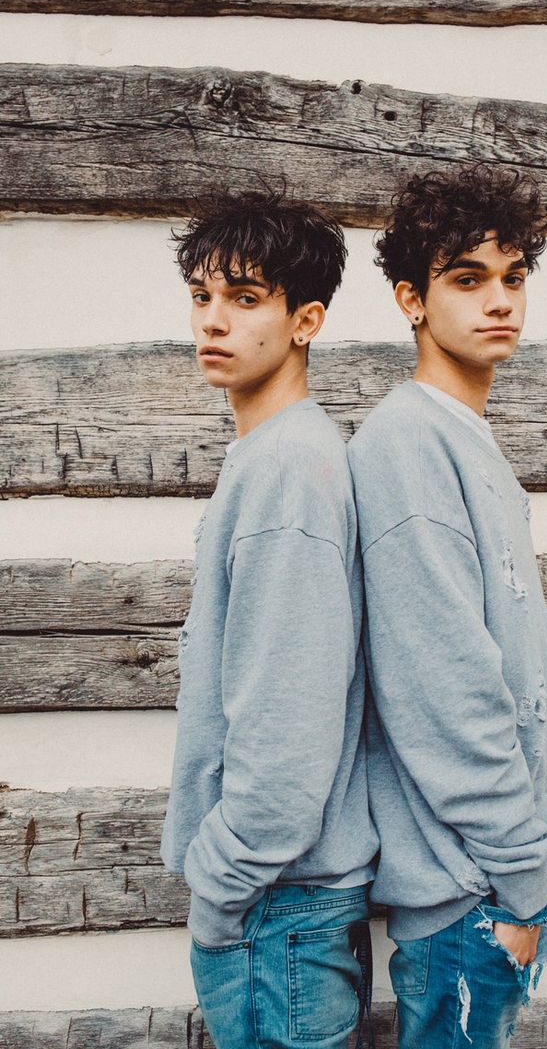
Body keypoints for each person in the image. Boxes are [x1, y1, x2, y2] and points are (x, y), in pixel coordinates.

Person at [347, 164, 547, 1048]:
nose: (501, 300)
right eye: (468, 278)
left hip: (495, 887)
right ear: (412, 299)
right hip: (472, 896)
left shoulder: (463, 436)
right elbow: (444, 689)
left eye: (514, 276)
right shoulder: (408, 446)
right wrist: (523, 885)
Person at [160, 189, 378, 1049]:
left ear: (306, 320)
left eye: (246, 298)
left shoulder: (288, 470)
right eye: (203, 297)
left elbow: (288, 726)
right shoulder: (273, 456)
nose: (214, 321)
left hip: (276, 912)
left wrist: (217, 895)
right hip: (286, 912)